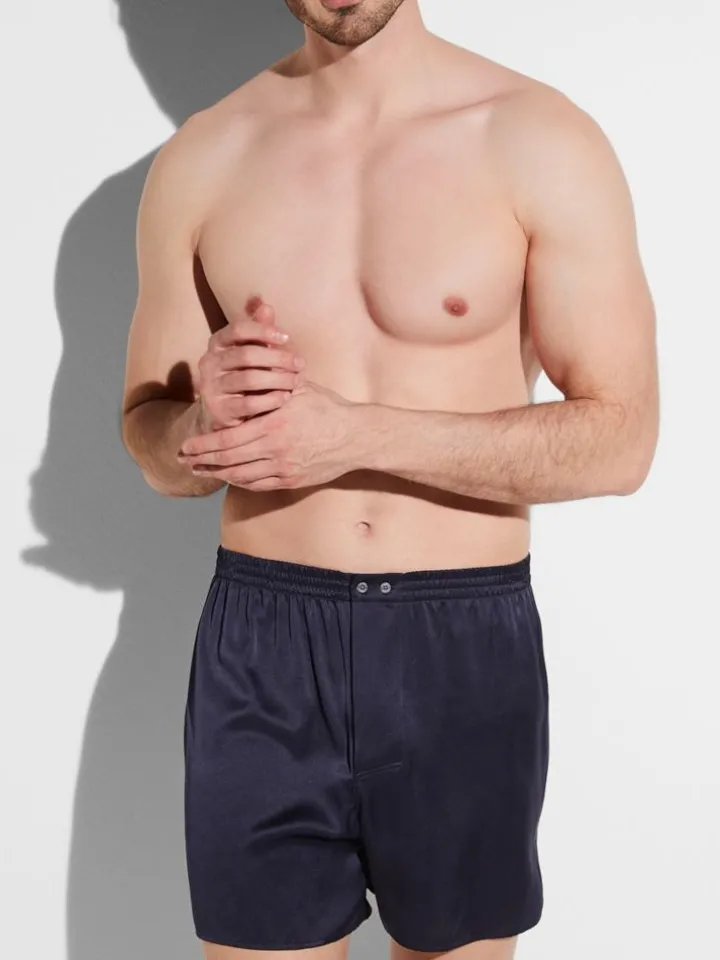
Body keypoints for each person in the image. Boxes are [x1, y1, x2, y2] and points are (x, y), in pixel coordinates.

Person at [121, 1, 659, 957]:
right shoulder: (205, 156)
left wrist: (356, 435)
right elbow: (150, 441)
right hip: (263, 645)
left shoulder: (536, 138)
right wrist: (200, 429)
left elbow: (621, 441)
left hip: (459, 639)